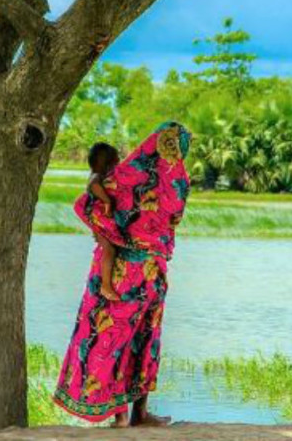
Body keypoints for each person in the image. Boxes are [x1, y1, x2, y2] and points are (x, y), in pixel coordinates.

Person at [54, 122, 192, 428]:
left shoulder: (125, 177)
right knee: (144, 339)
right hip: (150, 271)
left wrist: (106, 228)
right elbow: (174, 218)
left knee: (114, 339)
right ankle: (137, 414)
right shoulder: (177, 182)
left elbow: (85, 204)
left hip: (120, 273)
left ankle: (122, 416)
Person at [86, 142, 121, 301]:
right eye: (115, 161)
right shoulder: (96, 176)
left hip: (97, 219)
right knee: (109, 249)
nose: (118, 164)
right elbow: (94, 186)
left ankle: (105, 284)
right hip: (96, 218)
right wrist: (107, 200)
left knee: (109, 247)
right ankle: (105, 286)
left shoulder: (98, 175)